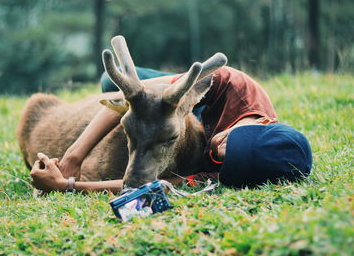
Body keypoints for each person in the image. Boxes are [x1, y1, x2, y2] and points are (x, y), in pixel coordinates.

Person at [30, 66, 312, 193]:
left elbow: (154, 185)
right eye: (232, 144)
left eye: (230, 159)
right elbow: (138, 93)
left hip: (183, 139)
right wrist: (73, 159)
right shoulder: (236, 87)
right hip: (188, 99)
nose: (219, 151)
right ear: (262, 123)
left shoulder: (236, 169)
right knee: (110, 81)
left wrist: (66, 187)